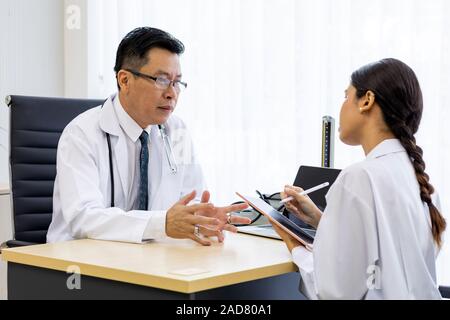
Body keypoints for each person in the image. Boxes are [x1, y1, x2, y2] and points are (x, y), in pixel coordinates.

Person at [47, 27, 250, 245]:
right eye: (161, 80)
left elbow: (193, 199)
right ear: (124, 80)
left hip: (151, 261)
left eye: (177, 82)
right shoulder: (81, 134)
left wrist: (202, 220)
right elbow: (83, 218)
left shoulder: (177, 131)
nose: (171, 93)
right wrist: (161, 224)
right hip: (81, 265)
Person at [271, 58, 446, 299]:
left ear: (366, 100)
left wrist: (295, 246)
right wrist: (321, 220)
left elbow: (335, 292)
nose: (341, 106)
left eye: (346, 96)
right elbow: (391, 260)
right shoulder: (423, 184)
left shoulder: (359, 177)